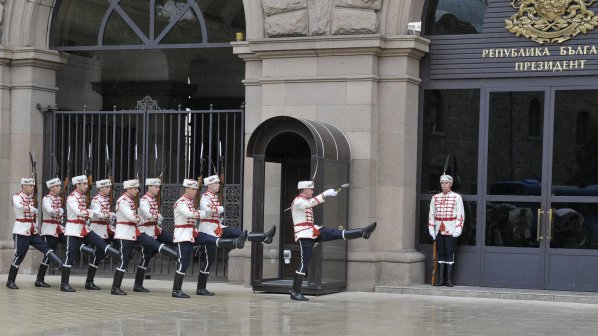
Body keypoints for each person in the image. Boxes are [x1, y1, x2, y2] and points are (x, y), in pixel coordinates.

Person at [289, 181, 377, 301]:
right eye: (311, 189)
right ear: (305, 190)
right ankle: (295, 291)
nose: (313, 191)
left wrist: (325, 195)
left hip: (312, 231)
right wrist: (325, 194)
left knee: (335, 233)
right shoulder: (298, 201)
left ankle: (362, 232)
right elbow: (309, 204)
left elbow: (310, 203)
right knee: (304, 263)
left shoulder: (302, 200)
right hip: (304, 235)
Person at [197, 175, 275, 296]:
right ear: (210, 185)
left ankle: (264, 237)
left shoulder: (215, 197)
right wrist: (218, 209)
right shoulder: (205, 197)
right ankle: (201, 288)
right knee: (208, 259)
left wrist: (217, 210)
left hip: (218, 227)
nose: (218, 185)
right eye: (216, 183)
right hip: (208, 230)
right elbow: (205, 210)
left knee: (239, 233)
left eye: (218, 183)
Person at [172, 178, 246, 298]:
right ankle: (176, 290)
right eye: (193, 189)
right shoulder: (181, 203)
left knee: (209, 239)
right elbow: (189, 214)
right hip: (183, 236)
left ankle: (234, 242)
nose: (196, 191)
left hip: (192, 233)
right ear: (187, 189)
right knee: (183, 263)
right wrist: (201, 213)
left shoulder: (190, 202)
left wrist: (202, 212)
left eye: (196, 189)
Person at [110, 179, 179, 295]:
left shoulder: (131, 200)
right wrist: (139, 218)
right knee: (124, 260)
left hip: (135, 231)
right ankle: (115, 288)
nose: (137, 190)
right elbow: (131, 217)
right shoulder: (123, 201)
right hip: (125, 233)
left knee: (153, 244)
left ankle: (175, 256)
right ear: (129, 189)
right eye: (135, 188)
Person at [61, 175, 121, 292]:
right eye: (83, 184)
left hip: (84, 228)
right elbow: (79, 211)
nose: (86, 186)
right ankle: (64, 284)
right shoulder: (72, 197)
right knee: (70, 257)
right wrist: (95, 212)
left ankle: (120, 257)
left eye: (85, 184)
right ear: (77, 185)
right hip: (74, 230)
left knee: (102, 244)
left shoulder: (82, 197)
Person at [35, 177, 95, 288]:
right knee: (48, 255)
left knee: (72, 243)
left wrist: (60, 212)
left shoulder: (58, 199)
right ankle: (39, 279)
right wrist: (60, 211)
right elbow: (50, 210)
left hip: (60, 229)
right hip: (49, 230)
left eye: (59, 186)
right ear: (51, 188)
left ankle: (88, 251)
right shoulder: (46, 199)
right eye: (57, 186)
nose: (59, 188)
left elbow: (60, 212)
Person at [7, 177, 63, 289]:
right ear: (23, 186)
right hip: (21, 231)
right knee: (19, 257)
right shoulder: (17, 196)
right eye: (30, 185)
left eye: (33, 185)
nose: (32, 187)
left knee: (45, 248)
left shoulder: (31, 198)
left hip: (32, 231)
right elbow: (18, 205)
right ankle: (10, 281)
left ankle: (59, 263)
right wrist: (30, 208)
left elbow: (34, 215)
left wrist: (35, 220)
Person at [134, 177, 175, 292]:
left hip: (155, 229)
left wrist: (157, 218)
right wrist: (157, 216)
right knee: (146, 257)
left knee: (172, 240)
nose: (158, 189)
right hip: (146, 231)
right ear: (150, 187)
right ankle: (138, 285)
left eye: (159, 187)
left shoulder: (152, 199)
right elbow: (147, 214)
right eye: (156, 187)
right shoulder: (144, 200)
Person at [428, 174, 464, 287]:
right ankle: (441, 280)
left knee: (449, 253)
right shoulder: (435, 198)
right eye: (442, 183)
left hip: (451, 228)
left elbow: (460, 215)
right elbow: (431, 215)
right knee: (441, 253)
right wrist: (431, 229)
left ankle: (449, 280)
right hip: (438, 228)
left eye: (446, 183)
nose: (444, 185)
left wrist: (458, 229)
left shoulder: (457, 197)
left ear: (451, 184)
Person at [87, 178, 116, 290]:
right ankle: (89, 281)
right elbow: (98, 214)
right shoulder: (96, 200)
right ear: (100, 188)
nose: (109, 189)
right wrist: (110, 214)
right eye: (107, 187)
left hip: (106, 228)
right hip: (98, 228)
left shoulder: (106, 199)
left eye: (109, 187)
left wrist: (110, 217)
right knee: (97, 256)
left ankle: (111, 255)